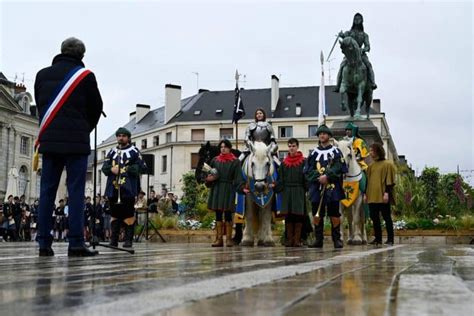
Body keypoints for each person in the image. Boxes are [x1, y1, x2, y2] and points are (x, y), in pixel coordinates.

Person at [34, 37, 103, 257]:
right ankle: (75, 243)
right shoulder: (86, 77)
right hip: (77, 143)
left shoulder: (42, 75)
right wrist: (84, 129)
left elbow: (42, 106)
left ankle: (44, 243)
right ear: (81, 55)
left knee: (46, 192)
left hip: (50, 141)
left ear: (61, 51)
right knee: (75, 192)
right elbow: (96, 108)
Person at [102, 127, 147, 249]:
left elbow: (141, 167)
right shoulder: (111, 152)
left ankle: (128, 240)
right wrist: (111, 169)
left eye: (123, 136)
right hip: (113, 188)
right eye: (119, 135)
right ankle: (114, 240)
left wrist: (125, 169)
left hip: (128, 188)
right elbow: (104, 168)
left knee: (128, 214)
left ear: (128, 137)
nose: (121, 138)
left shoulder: (134, 151)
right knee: (114, 214)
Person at [304, 124, 347, 249]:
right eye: (320, 134)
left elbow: (340, 167)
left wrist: (327, 177)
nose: (322, 135)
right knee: (317, 214)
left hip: (332, 187)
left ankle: (336, 239)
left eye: (324, 133)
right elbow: (307, 170)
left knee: (334, 213)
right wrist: (318, 177)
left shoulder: (336, 152)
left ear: (329, 136)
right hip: (317, 188)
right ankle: (318, 239)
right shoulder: (313, 153)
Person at [206, 139, 247, 247]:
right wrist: (208, 180)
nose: (223, 149)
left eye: (225, 147)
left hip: (229, 188)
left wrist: (242, 188)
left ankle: (228, 239)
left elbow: (238, 178)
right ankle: (219, 239)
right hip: (217, 188)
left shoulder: (235, 162)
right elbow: (209, 174)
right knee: (218, 214)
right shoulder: (215, 160)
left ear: (229, 148)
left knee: (228, 214)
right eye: (221, 147)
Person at [274, 138, 307, 247]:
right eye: (290, 146)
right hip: (287, 191)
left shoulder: (303, 161)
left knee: (298, 215)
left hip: (298, 190)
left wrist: (307, 189)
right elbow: (280, 179)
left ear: (297, 147)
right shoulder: (284, 163)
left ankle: (297, 240)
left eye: (293, 146)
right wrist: (275, 186)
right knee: (288, 216)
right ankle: (289, 239)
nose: (291, 148)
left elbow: (306, 177)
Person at [334, 13, 377, 92]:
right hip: (350, 56)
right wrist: (341, 35)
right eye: (355, 19)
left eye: (359, 19)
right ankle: (338, 85)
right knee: (342, 66)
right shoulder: (349, 33)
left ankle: (372, 83)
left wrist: (363, 50)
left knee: (369, 65)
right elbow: (345, 37)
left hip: (361, 55)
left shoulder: (364, 35)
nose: (357, 20)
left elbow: (368, 46)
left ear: (361, 21)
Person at [365, 143, 396, 245]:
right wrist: (366, 194)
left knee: (386, 217)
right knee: (374, 218)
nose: (370, 153)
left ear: (378, 151)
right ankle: (378, 238)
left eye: (372, 150)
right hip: (372, 195)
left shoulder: (388, 164)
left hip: (383, 195)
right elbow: (367, 181)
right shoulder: (370, 166)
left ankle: (390, 239)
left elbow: (390, 180)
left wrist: (386, 192)